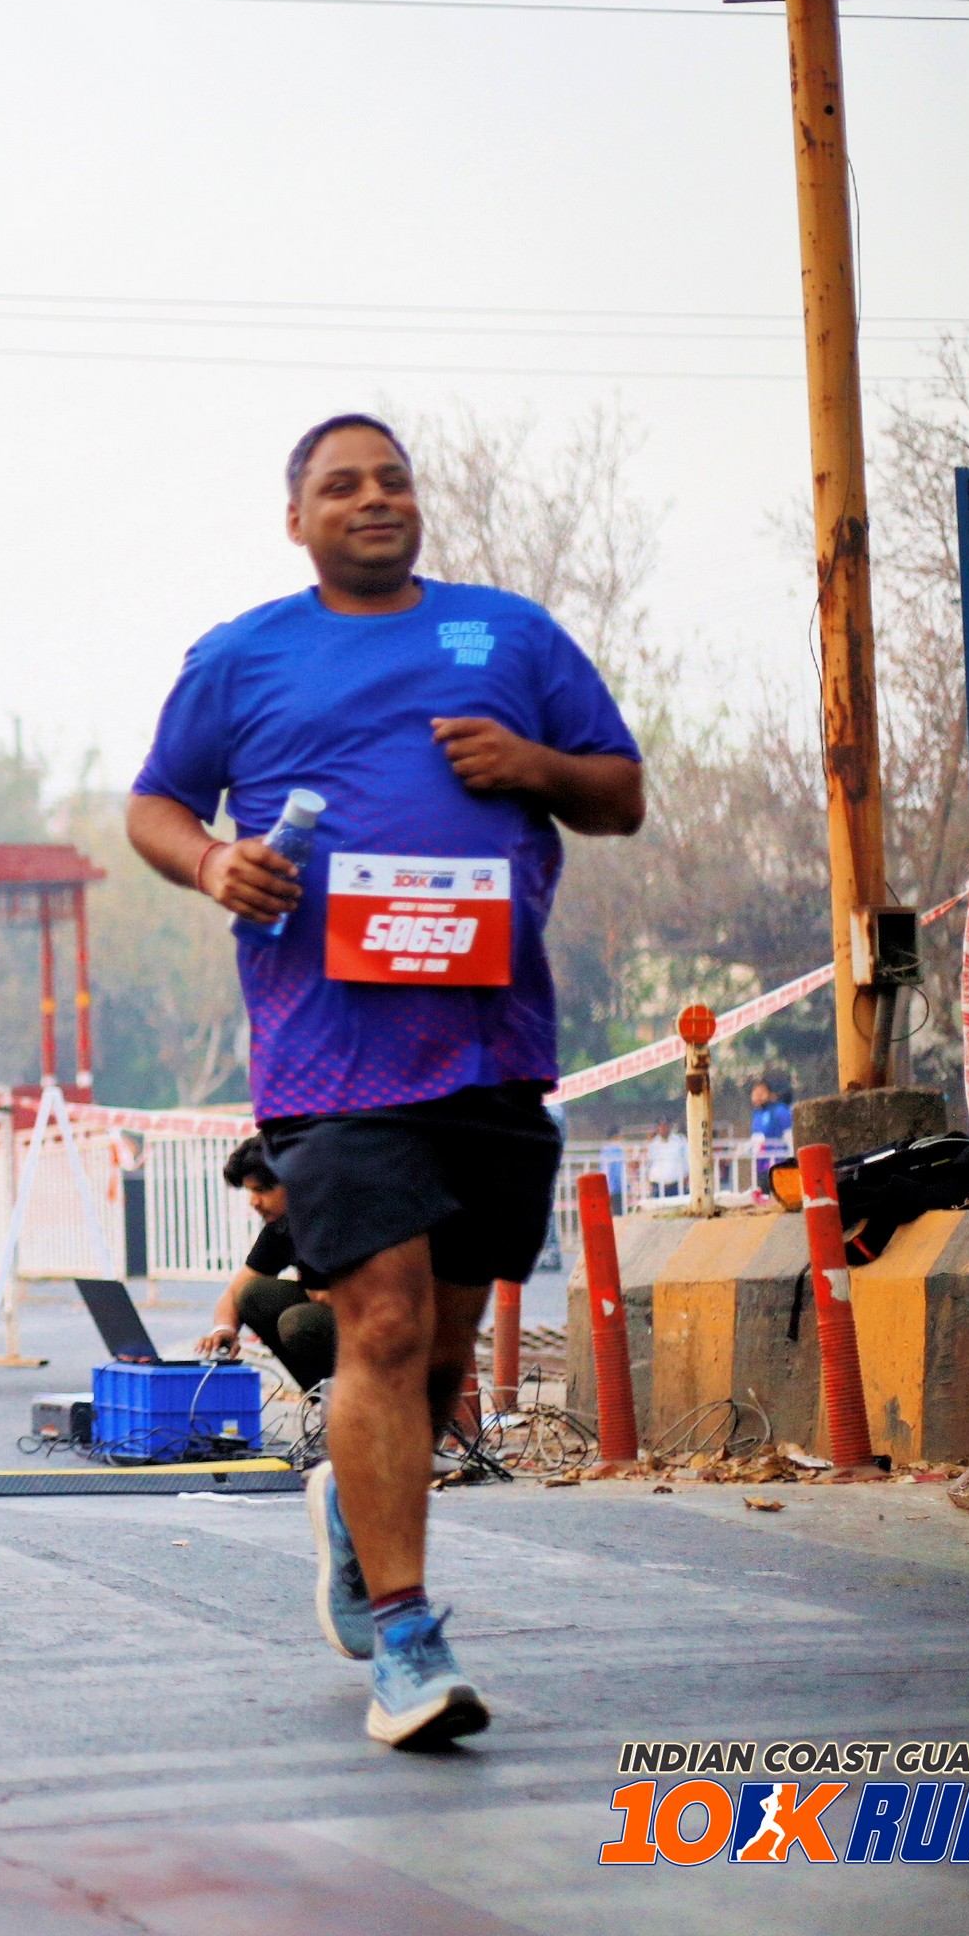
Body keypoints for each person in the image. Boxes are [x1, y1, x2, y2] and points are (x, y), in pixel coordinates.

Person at [125, 412, 644, 1749]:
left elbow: (620, 792)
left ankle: (359, 1518)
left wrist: (532, 766)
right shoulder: (242, 655)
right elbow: (155, 803)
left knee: (443, 1349)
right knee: (386, 1322)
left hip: (489, 1043)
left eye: (392, 480)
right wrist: (212, 862)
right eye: (340, 484)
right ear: (295, 518)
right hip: (330, 1049)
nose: (373, 498)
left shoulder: (509, 635)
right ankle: (408, 1641)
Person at [194, 1137, 334, 1392]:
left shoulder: (337, 1217)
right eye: (250, 1192)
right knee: (253, 1294)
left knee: (300, 1322)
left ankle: (371, 1400)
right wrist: (224, 1329)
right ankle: (324, 1399)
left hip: (380, 1327)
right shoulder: (282, 1227)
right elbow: (235, 1292)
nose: (254, 1202)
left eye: (262, 1190)